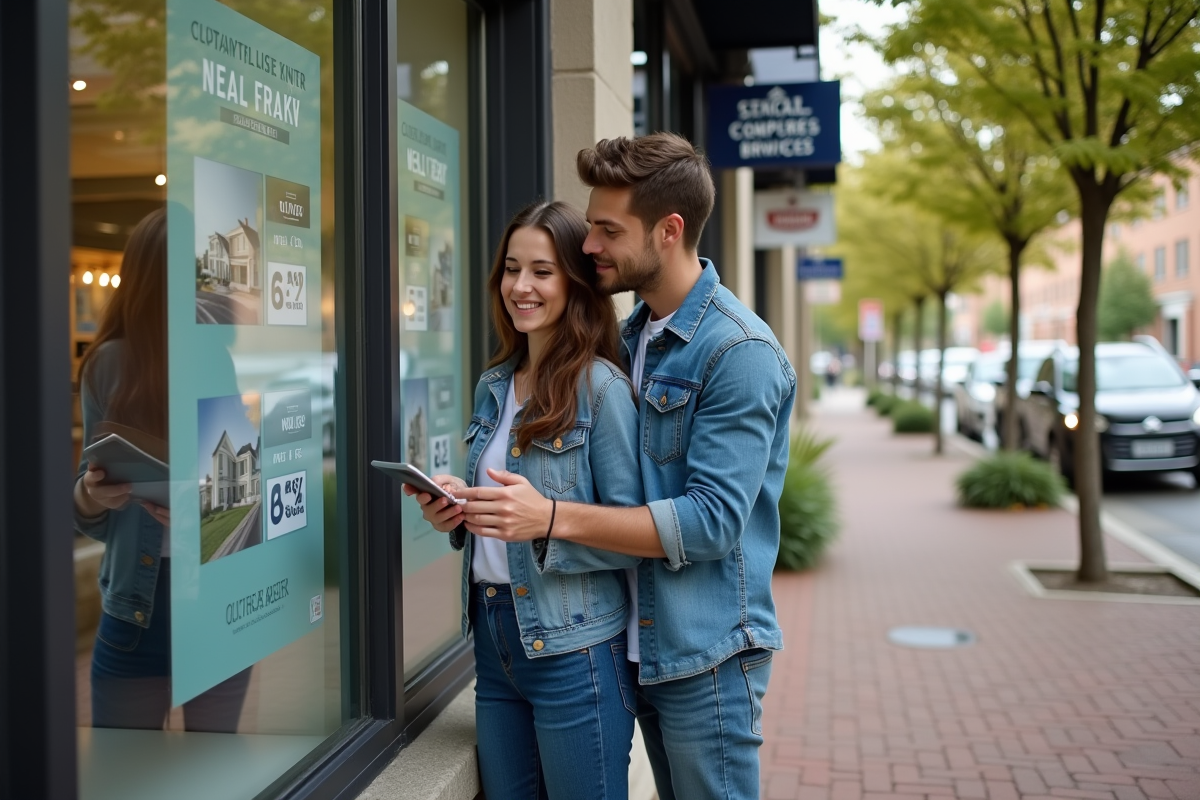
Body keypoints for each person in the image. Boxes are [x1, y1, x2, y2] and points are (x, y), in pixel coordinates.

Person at [443, 133, 797, 800]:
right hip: (633, 642)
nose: (592, 246)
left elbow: (713, 523)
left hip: (705, 654)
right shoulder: (633, 339)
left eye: (608, 229)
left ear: (669, 231)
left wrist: (547, 518)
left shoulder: (738, 351)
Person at [405, 200, 644, 800]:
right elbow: (503, 510)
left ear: (574, 281)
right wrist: (458, 508)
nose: (521, 286)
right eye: (512, 268)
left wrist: (544, 524)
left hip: (575, 648)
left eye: (542, 270)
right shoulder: (494, 384)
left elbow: (634, 537)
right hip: (493, 639)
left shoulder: (601, 388)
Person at [74, 208, 251, 731]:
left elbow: (240, 486)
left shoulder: (214, 358)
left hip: (213, 602)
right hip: (135, 608)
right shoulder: (107, 363)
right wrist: (91, 493)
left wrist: (200, 510)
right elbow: (87, 503)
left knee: (215, 776)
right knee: (127, 778)